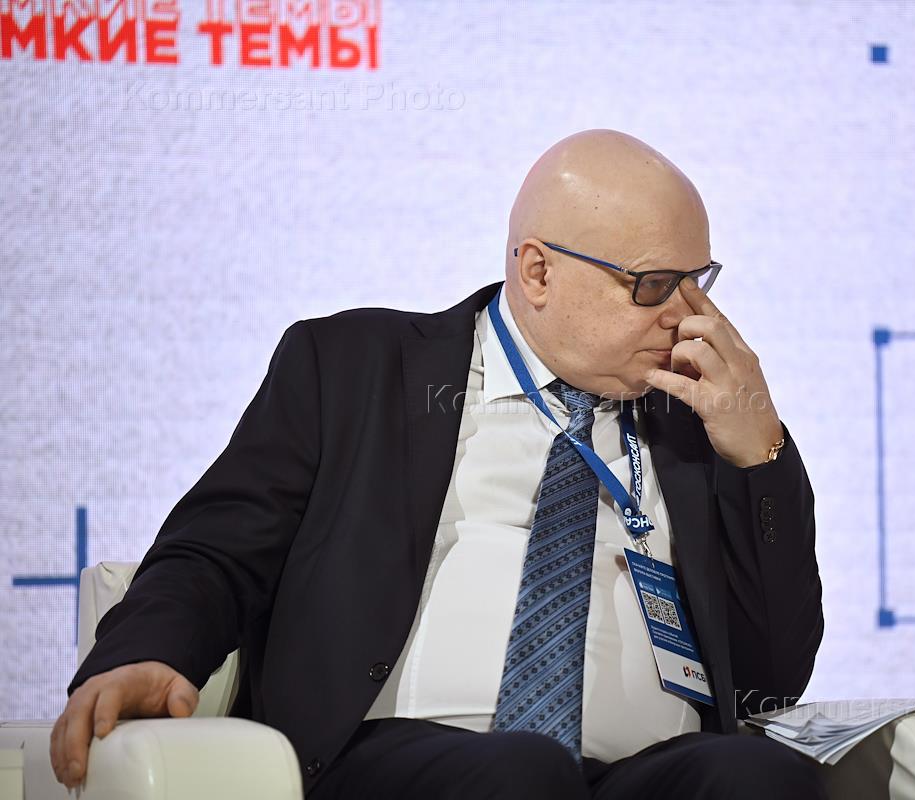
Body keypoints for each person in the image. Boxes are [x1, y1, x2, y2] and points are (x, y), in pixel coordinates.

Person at [50, 129, 825, 798]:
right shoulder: (354, 369)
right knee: (522, 774)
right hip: (403, 765)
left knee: (763, 778)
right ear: (538, 272)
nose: (687, 316)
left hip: (637, 778)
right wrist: (146, 653)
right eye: (654, 285)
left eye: (698, 282)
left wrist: (759, 456)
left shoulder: (695, 426)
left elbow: (773, 677)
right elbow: (217, 553)